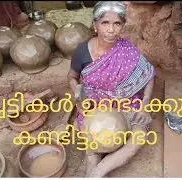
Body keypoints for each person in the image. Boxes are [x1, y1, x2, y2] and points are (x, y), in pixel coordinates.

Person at [67, 1, 156, 177]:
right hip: (94, 104)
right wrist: (77, 90)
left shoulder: (127, 49)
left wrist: (145, 105)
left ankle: (95, 175)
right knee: (93, 146)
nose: (111, 29)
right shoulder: (82, 51)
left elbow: (148, 76)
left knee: (137, 139)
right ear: (95, 25)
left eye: (117, 24)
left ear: (122, 26)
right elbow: (71, 76)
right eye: (105, 23)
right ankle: (92, 170)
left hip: (127, 103)